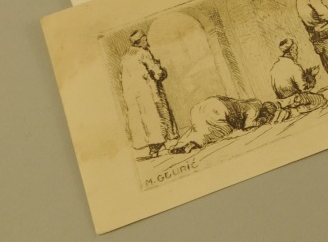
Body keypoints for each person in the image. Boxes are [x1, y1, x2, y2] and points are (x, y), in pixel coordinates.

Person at [120, 29, 177, 159]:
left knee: (145, 120)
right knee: (158, 115)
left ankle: (153, 149)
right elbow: (157, 72)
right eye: (145, 40)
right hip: (150, 91)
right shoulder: (143, 53)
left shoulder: (125, 56)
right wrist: (162, 72)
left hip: (135, 96)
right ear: (139, 42)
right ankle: (167, 144)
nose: (147, 42)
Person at [169, 97, 282, 153]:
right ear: (266, 111)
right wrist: (262, 121)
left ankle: (179, 145)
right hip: (217, 108)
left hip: (201, 107)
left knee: (197, 128)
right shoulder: (255, 107)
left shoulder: (248, 103)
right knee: (222, 131)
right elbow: (248, 125)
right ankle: (192, 144)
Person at [270, 37, 328, 113]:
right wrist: (312, 76)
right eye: (296, 50)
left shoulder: (275, 67)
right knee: (321, 99)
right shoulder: (294, 66)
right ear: (291, 50)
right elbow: (304, 89)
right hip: (296, 99)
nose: (297, 53)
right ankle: (296, 110)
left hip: (283, 101)